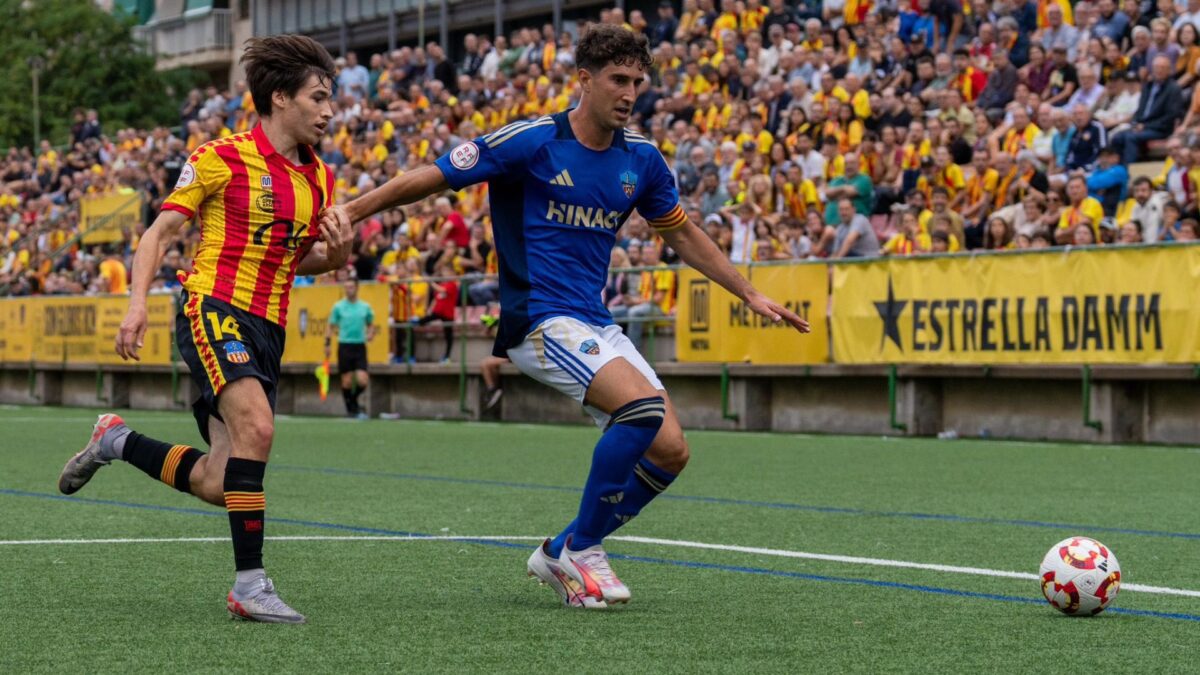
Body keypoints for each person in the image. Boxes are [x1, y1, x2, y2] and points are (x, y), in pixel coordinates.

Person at [320, 25, 808, 609]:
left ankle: (565, 547)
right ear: (584, 80)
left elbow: (681, 232)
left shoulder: (643, 160)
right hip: (538, 321)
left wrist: (747, 293)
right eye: (618, 80)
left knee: (671, 449)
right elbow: (431, 176)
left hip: (594, 322)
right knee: (641, 409)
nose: (630, 93)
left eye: (638, 82)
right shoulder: (533, 140)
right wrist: (352, 208)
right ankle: (582, 548)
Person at [56, 35, 352, 624]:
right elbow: (159, 233)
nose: (329, 111)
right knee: (259, 430)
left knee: (221, 480)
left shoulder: (320, 178)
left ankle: (115, 439)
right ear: (279, 97)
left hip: (267, 327)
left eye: (331, 99)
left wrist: (336, 258)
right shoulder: (220, 156)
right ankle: (250, 585)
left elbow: (294, 260)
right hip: (214, 307)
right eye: (318, 98)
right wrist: (137, 304)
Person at [325, 277, 377, 419]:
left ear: (357, 287)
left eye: (351, 287)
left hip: (359, 345)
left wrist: (371, 333)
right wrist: (327, 344)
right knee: (347, 381)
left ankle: (353, 402)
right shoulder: (338, 307)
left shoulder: (364, 307)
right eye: (346, 287)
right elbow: (330, 326)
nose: (348, 290)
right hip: (345, 345)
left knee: (362, 380)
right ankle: (351, 409)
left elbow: (371, 323)